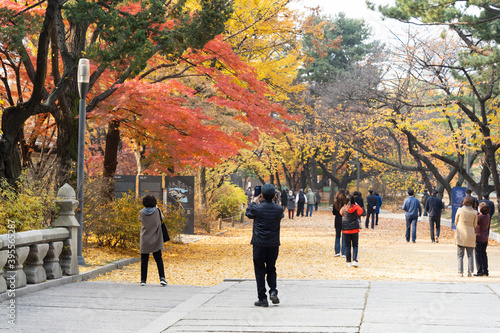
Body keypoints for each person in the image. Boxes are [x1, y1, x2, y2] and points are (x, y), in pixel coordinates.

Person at [245, 183, 284, 307]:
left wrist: (255, 201)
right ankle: (273, 290)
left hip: (259, 243)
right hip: (273, 244)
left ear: (262, 195)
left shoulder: (257, 208)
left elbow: (248, 213)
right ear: (274, 196)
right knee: (271, 268)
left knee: (260, 270)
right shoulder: (278, 209)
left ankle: (262, 298)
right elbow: (280, 215)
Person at [139, 194, 167, 287]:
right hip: (156, 238)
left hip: (145, 238)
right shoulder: (157, 211)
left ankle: (143, 280)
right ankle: (162, 278)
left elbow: (140, 220)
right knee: (158, 259)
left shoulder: (141, 212)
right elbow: (162, 218)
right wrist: (157, 208)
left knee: (144, 260)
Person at [455, 195, 478, 277]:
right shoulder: (475, 212)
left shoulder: (460, 210)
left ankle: (460, 272)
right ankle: (470, 272)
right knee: (470, 255)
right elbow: (475, 225)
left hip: (461, 234)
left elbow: (455, 221)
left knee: (460, 255)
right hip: (470, 234)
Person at [339, 194, 363, 267]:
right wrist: (357, 204)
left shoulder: (343, 208)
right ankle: (355, 260)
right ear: (354, 201)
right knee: (355, 245)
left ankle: (348, 262)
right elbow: (360, 212)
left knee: (347, 246)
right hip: (354, 229)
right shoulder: (356, 207)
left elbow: (341, 213)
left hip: (345, 229)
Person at [475, 202, 490, 276]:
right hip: (485, 237)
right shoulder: (487, 216)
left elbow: (474, 224)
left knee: (478, 254)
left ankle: (479, 270)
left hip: (478, 237)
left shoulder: (479, 217)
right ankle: (485, 270)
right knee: (484, 254)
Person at [332, 189, 346, 258]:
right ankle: (344, 252)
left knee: (337, 236)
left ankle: (337, 252)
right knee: (344, 237)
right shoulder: (346, 202)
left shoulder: (335, 202)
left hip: (337, 220)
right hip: (345, 220)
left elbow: (334, 212)